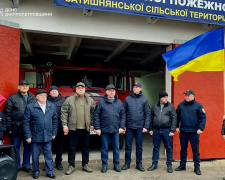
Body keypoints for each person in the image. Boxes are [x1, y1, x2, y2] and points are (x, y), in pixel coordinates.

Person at [61, 82, 96, 175]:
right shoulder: (69, 100)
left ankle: (85, 165)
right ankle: (71, 165)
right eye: (78, 88)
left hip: (86, 128)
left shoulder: (90, 100)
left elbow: (93, 112)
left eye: (82, 88)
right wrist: (65, 125)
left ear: (85, 89)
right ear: (76, 89)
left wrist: (92, 123)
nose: (80, 89)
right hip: (73, 128)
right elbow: (64, 112)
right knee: (72, 147)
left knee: (86, 147)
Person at [23, 89, 58, 179]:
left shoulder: (52, 106)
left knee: (48, 155)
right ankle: (35, 172)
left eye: (45, 95)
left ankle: (49, 172)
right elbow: (26, 122)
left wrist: (54, 132)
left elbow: (55, 120)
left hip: (48, 135)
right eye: (41, 95)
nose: (43, 96)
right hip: (35, 136)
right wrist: (28, 136)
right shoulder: (30, 107)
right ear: (36, 97)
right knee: (35, 156)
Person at [4, 80, 36, 171]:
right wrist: (9, 127)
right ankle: (16, 166)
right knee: (15, 147)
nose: (24, 87)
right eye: (22, 85)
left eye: (26, 85)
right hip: (16, 127)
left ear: (28, 87)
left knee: (28, 147)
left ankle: (26, 165)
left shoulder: (33, 97)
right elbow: (7, 114)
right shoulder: (12, 97)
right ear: (18, 87)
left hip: (29, 127)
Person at [94, 84, 125, 173]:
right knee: (104, 148)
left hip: (115, 130)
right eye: (110, 91)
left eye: (113, 91)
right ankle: (104, 165)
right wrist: (97, 128)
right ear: (106, 92)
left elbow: (123, 115)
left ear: (115, 92)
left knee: (116, 148)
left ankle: (116, 165)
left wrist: (121, 127)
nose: (112, 92)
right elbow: (96, 115)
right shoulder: (101, 102)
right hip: (104, 130)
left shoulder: (119, 102)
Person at [175, 89, 206, 175]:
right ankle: (182, 165)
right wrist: (176, 126)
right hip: (183, 131)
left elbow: (203, 117)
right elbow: (176, 117)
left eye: (188, 95)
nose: (186, 97)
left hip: (194, 132)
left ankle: (197, 167)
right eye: (185, 95)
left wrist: (201, 128)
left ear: (193, 96)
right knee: (183, 149)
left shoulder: (198, 106)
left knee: (195, 150)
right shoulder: (181, 105)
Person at [121, 82, 151, 172]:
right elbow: (123, 113)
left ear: (140, 89)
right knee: (128, 146)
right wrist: (123, 125)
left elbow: (148, 114)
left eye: (137, 87)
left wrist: (146, 126)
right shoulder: (127, 99)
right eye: (134, 86)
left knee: (139, 146)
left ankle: (139, 163)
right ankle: (127, 163)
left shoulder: (144, 100)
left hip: (140, 127)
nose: (135, 88)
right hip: (129, 127)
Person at [148, 91, 177, 173]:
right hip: (156, 130)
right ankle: (154, 164)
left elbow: (174, 118)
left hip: (166, 130)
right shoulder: (155, 106)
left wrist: (172, 130)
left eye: (167, 97)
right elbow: (151, 117)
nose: (166, 98)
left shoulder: (170, 106)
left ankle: (169, 165)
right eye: (165, 97)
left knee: (168, 148)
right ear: (160, 98)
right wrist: (150, 129)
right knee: (156, 148)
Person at [47, 86, 66, 170]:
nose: (54, 92)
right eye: (52, 91)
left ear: (58, 92)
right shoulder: (45, 100)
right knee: (48, 147)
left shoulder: (63, 101)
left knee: (60, 146)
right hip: (47, 127)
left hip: (59, 126)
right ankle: (48, 163)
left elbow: (67, 113)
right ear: (49, 93)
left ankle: (58, 162)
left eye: (55, 91)